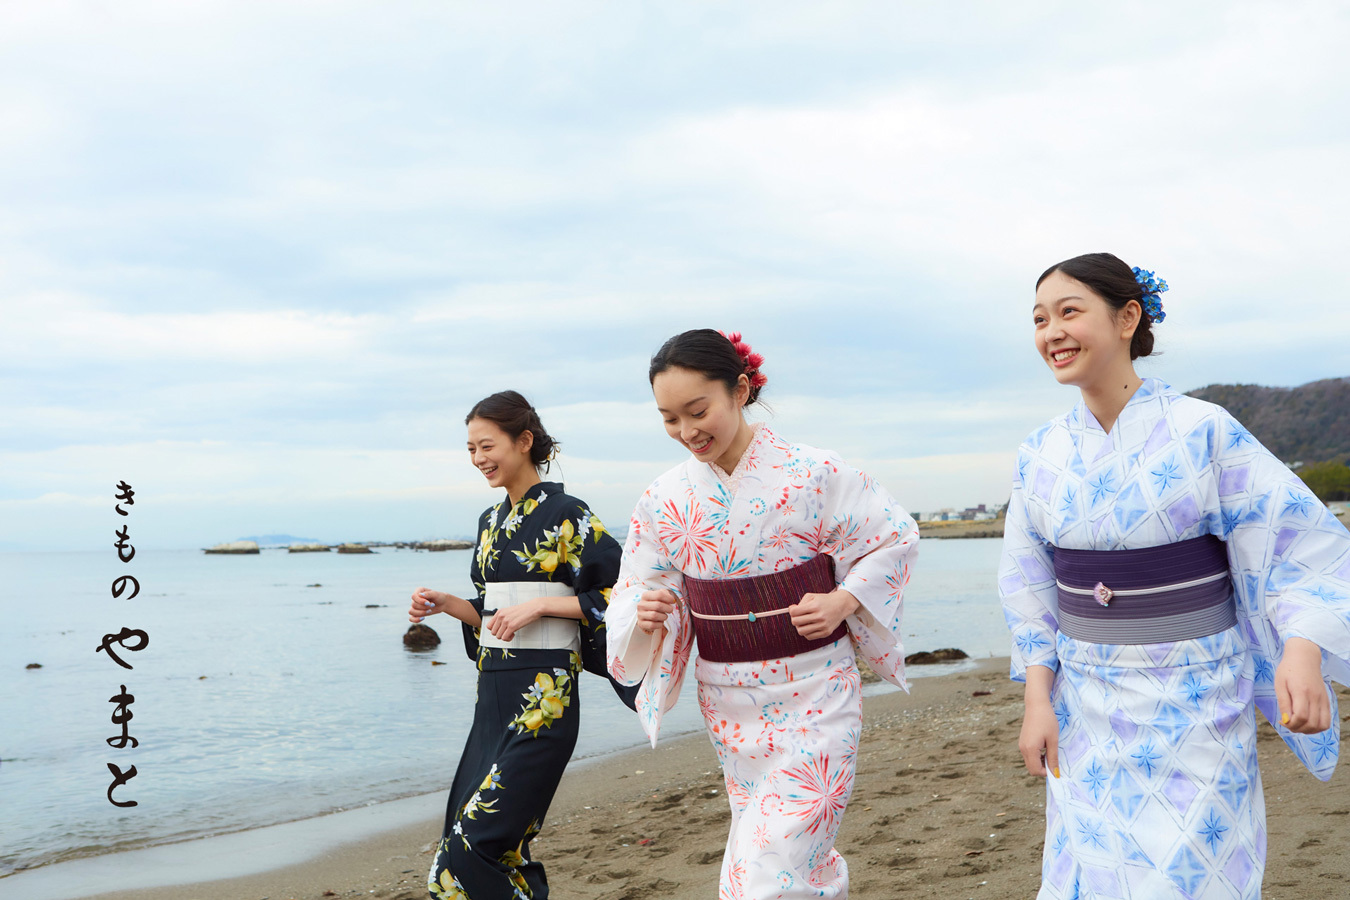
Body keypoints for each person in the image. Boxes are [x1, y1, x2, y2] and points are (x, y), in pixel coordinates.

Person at [999, 252, 1350, 899]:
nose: (1052, 332)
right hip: (1087, 710)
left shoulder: (1203, 432)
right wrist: (1037, 700)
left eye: (1069, 312)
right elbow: (1029, 589)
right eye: (1040, 318)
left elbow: (1298, 544)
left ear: (1128, 316)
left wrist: (1301, 649)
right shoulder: (1039, 455)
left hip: (1197, 704)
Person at [605, 328, 920, 899]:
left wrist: (843, 600)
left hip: (817, 688)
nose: (687, 432)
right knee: (780, 848)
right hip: (727, 699)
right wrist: (654, 610)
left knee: (772, 863)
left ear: (741, 390)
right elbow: (640, 587)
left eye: (698, 410)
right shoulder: (663, 498)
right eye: (670, 419)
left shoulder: (814, 472)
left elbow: (893, 536)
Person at [408, 390, 632, 900]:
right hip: (492, 701)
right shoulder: (488, 524)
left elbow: (624, 595)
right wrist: (450, 604)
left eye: (487, 445)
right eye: (470, 449)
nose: (478, 459)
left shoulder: (567, 513)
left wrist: (544, 606)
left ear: (524, 441)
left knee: (474, 847)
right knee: (457, 858)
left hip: (544, 701)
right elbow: (491, 613)